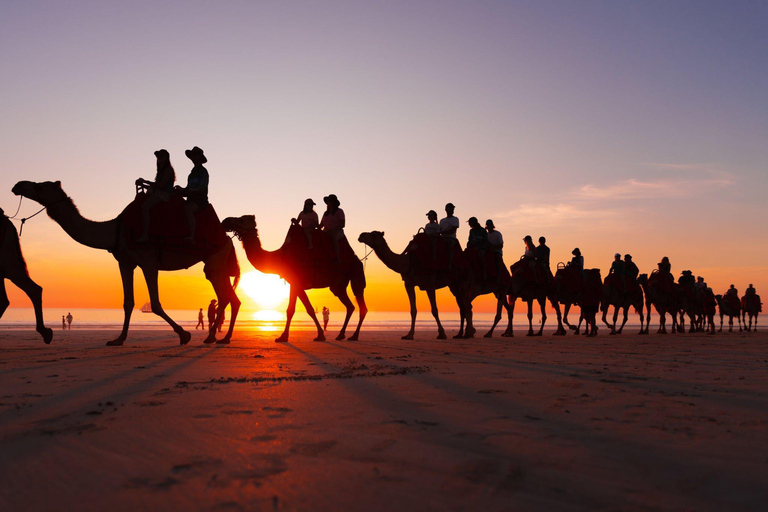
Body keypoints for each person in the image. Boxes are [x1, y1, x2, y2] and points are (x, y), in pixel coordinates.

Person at [136, 149, 176, 243]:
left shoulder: (168, 170)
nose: (159, 159)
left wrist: (145, 182)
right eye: (158, 157)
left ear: (166, 158)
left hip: (164, 195)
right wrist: (143, 185)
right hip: (158, 192)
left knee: (145, 207)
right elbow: (156, 186)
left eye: (161, 156)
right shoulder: (161, 171)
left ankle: (145, 234)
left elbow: (161, 185)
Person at [175, 146, 209, 243]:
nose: (193, 158)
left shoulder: (203, 172)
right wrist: (180, 191)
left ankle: (192, 236)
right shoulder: (191, 174)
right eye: (192, 156)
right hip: (191, 199)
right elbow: (188, 189)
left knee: (188, 209)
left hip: (200, 201)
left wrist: (186, 191)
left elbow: (201, 188)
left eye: (195, 156)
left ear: (199, 157)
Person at [321, 194, 346, 263]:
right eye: (328, 202)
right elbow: (321, 225)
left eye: (330, 201)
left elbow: (342, 224)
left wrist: (333, 229)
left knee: (334, 237)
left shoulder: (339, 211)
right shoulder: (325, 213)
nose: (329, 203)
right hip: (326, 230)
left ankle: (337, 256)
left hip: (337, 231)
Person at [439, 203, 459, 269]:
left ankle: (449, 264)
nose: (451, 210)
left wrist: (443, 232)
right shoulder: (442, 220)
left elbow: (453, 230)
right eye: (450, 208)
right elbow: (439, 230)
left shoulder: (455, 219)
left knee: (449, 245)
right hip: (442, 238)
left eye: (452, 209)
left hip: (451, 238)